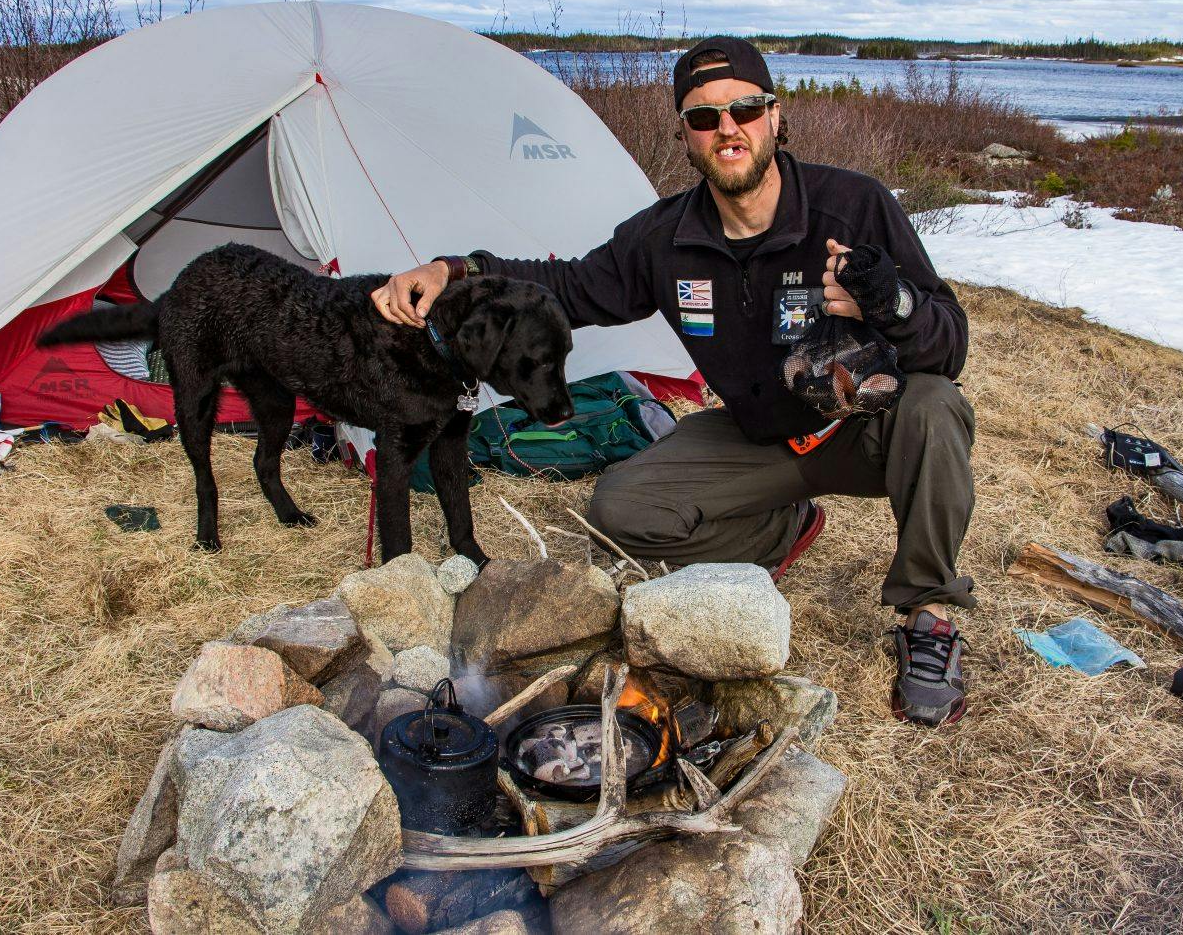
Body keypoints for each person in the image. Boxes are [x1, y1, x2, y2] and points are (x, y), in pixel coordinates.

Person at [372, 36, 976, 727]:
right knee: (620, 511)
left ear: (775, 117)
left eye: (745, 109)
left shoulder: (853, 207)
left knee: (936, 403)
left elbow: (950, 343)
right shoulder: (667, 239)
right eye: (703, 117)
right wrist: (455, 270)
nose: (727, 129)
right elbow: (564, 285)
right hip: (760, 436)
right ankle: (781, 528)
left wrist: (890, 302)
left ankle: (928, 615)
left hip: (864, 427)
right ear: (686, 136)